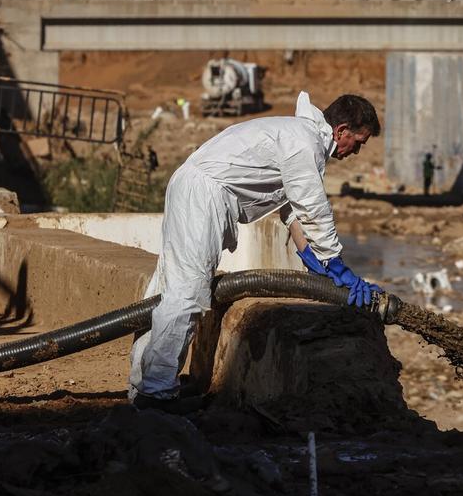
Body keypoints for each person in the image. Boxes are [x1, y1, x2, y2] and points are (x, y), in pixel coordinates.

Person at [128, 91, 383, 413]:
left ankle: (144, 388)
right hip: (203, 195)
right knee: (185, 292)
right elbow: (313, 209)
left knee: (170, 288)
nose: (357, 151)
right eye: (358, 142)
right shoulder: (304, 142)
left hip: (195, 189)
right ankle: (156, 395)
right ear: (341, 130)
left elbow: (293, 212)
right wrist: (335, 262)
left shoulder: (299, 139)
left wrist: (314, 260)